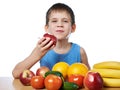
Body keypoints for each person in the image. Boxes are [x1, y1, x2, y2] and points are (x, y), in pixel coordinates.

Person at [12, 3, 90, 79]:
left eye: (65, 21)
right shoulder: (42, 49)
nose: (59, 24)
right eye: (54, 21)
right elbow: (16, 73)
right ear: (46, 28)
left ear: (73, 28)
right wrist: (36, 55)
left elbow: (89, 77)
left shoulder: (80, 51)